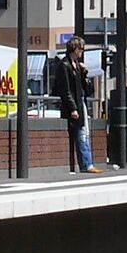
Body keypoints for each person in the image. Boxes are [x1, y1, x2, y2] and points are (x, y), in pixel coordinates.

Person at [48, 36, 96, 173]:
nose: (82, 52)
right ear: (75, 49)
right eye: (81, 49)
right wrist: (73, 108)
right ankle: (87, 164)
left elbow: (88, 90)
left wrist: (84, 73)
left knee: (84, 133)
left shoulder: (77, 66)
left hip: (81, 102)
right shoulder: (65, 65)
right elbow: (66, 90)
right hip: (74, 105)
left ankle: (87, 163)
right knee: (81, 134)